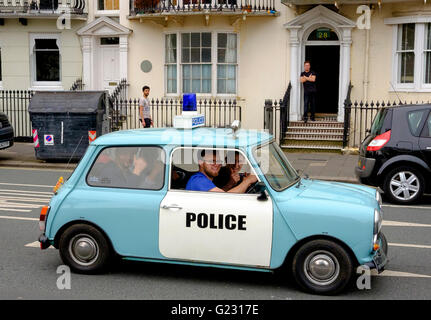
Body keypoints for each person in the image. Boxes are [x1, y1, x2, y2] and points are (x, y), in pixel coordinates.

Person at [186, 150, 257, 193]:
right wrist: (248, 181)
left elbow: (221, 194)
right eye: (212, 161)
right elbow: (224, 199)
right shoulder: (198, 180)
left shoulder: (204, 180)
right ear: (201, 162)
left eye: (218, 161)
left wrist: (231, 184)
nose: (217, 164)